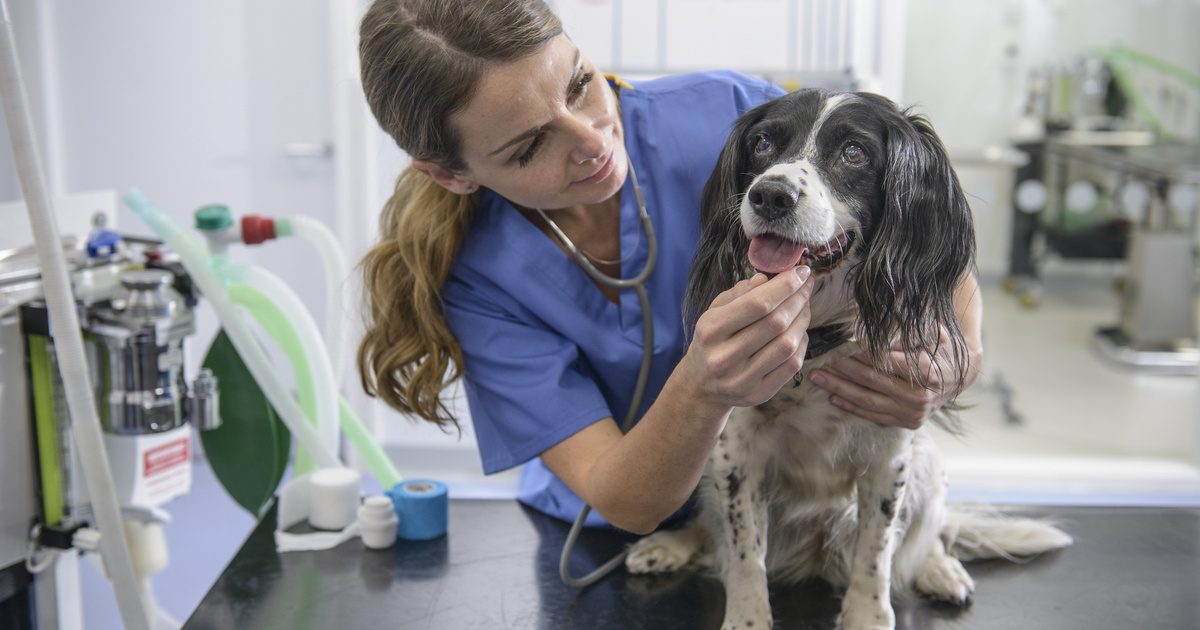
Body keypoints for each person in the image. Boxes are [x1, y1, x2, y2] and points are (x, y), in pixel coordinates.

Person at [356, 0, 983, 534]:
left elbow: (918, 229)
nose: (594, 141)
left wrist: (952, 363)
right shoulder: (478, 280)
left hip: (783, 509)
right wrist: (701, 388)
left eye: (580, 83)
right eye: (531, 146)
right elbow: (622, 496)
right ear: (451, 175)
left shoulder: (731, 115)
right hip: (612, 533)